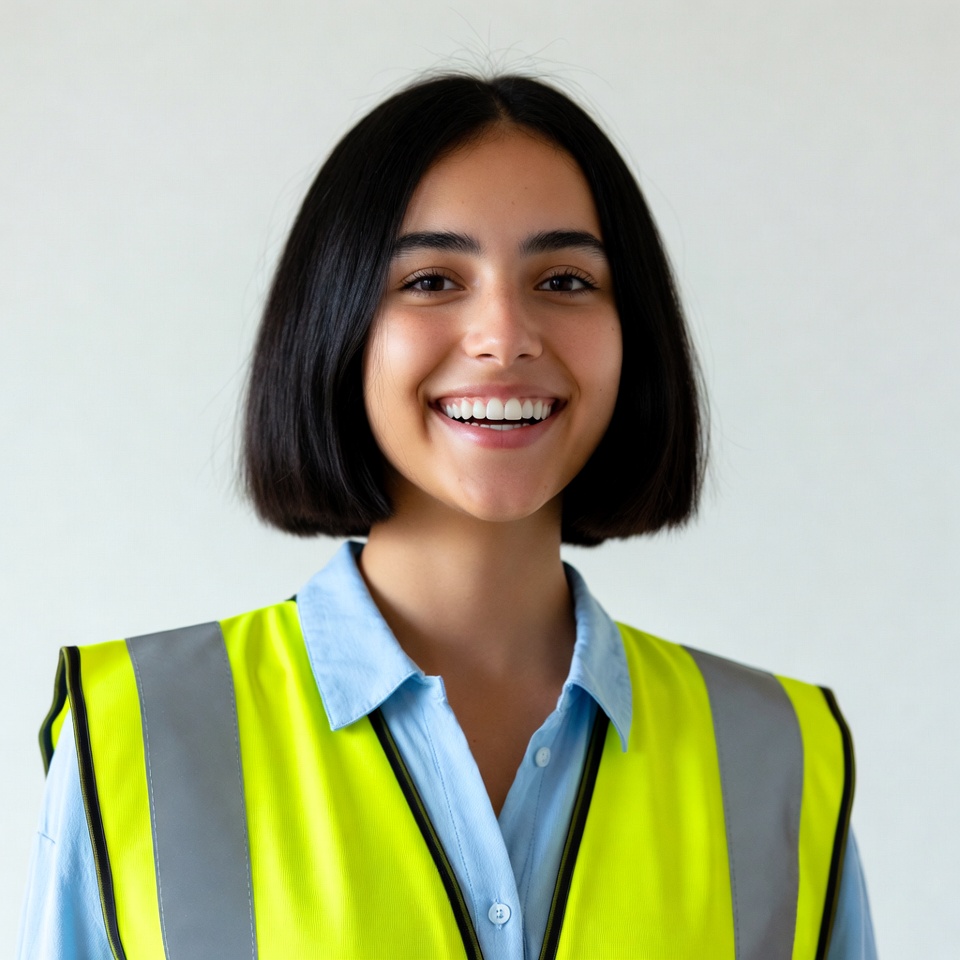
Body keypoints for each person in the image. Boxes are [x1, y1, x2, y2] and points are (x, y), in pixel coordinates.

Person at [18, 74, 876, 959]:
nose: (505, 336)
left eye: (565, 279)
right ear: (336, 322)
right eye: (431, 279)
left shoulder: (777, 754)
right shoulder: (136, 732)